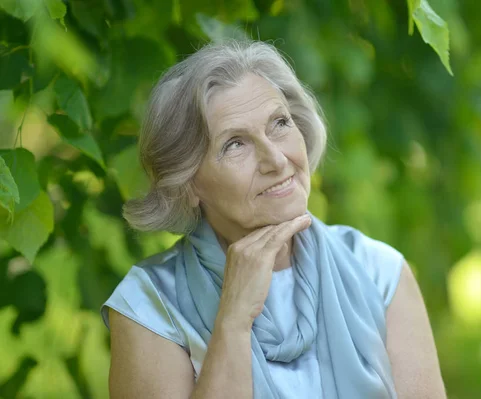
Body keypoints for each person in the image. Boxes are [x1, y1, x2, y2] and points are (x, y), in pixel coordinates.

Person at [101, 40, 446, 399]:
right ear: (187, 184)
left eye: (280, 123)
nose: (276, 160)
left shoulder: (380, 272)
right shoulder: (149, 305)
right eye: (235, 144)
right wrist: (233, 318)